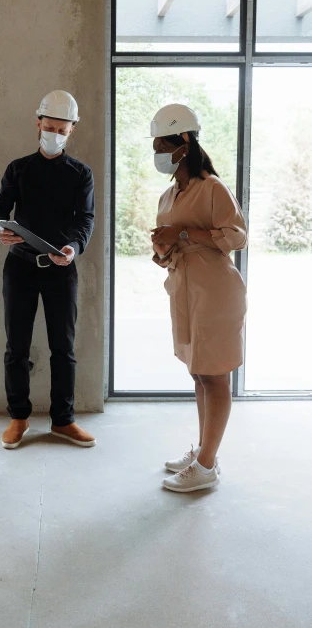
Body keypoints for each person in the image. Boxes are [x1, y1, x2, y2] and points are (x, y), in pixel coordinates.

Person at [0, 90, 96, 449]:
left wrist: (74, 248)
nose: (54, 134)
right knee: (16, 346)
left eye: (62, 130)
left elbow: (86, 220)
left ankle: (63, 421)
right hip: (19, 268)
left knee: (63, 347)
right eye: (49, 127)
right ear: (38, 123)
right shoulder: (18, 168)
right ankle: (18, 418)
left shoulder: (81, 174)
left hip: (61, 269)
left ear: (72, 130)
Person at [150, 103, 247, 493]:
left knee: (214, 374)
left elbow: (236, 237)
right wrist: (161, 246)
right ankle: (205, 451)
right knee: (197, 373)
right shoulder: (168, 195)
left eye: (162, 146)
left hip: (216, 292)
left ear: (183, 142)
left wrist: (184, 235)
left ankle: (206, 466)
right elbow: (168, 251)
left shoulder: (213, 188)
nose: (157, 154)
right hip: (184, 291)